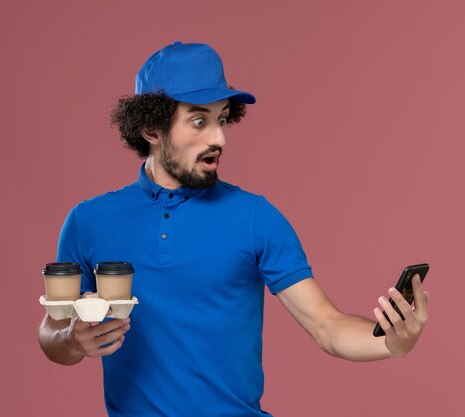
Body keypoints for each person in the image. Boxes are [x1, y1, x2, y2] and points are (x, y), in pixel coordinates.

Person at [38, 41, 430, 416]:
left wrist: (390, 342)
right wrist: (71, 340)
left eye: (223, 119)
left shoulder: (256, 217)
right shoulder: (88, 221)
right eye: (199, 120)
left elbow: (327, 325)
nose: (219, 138)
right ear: (151, 129)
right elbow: (53, 333)